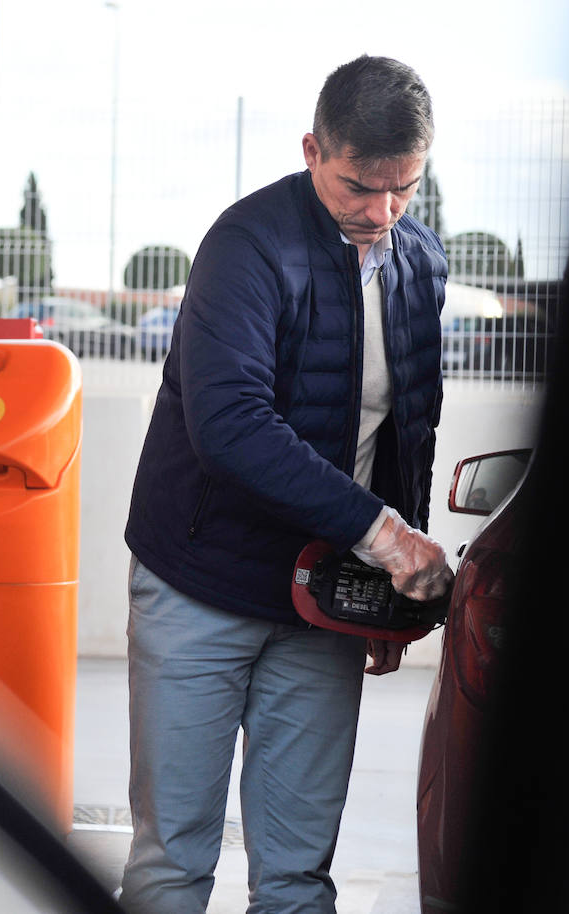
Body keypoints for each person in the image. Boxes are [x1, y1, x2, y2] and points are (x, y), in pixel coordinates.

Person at [119, 55, 455, 914]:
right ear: (312, 150)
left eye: (404, 191)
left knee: (299, 874)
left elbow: (408, 427)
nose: (381, 215)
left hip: (321, 602)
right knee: (173, 861)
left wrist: (390, 596)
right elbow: (230, 425)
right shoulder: (247, 246)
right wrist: (384, 539)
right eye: (358, 188)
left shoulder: (419, 261)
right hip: (202, 586)